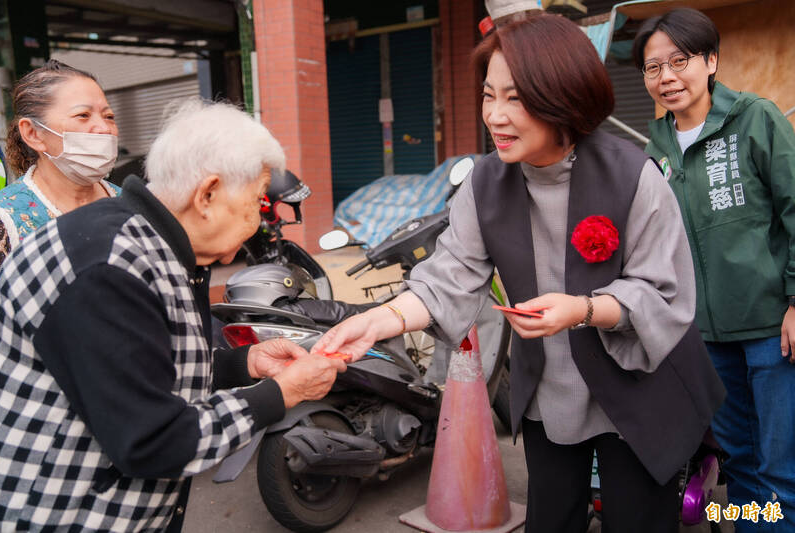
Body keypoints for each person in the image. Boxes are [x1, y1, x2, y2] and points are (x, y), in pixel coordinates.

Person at [313, 14, 725, 533]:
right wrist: (377, 321)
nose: (496, 116)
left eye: (517, 98)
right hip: (551, 397)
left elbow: (662, 293)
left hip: (640, 391)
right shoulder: (484, 184)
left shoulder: (633, 176)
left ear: (564, 97)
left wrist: (583, 308)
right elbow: (448, 276)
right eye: (489, 95)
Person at [0, 98, 346, 532]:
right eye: (257, 201)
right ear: (208, 194)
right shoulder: (107, 269)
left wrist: (244, 364)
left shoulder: (150, 245)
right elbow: (152, 440)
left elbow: (140, 366)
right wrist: (279, 394)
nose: (258, 221)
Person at [633, 8, 795, 530]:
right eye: (653, 67)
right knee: (738, 465)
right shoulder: (653, 147)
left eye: (680, 61)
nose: (667, 77)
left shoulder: (756, 118)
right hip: (704, 337)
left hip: (773, 330)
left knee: (781, 470)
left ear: (710, 61)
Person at [0, 59, 121, 275]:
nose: (104, 128)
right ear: (33, 133)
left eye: (109, 116)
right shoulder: (6, 220)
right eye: (83, 115)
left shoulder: (131, 204)